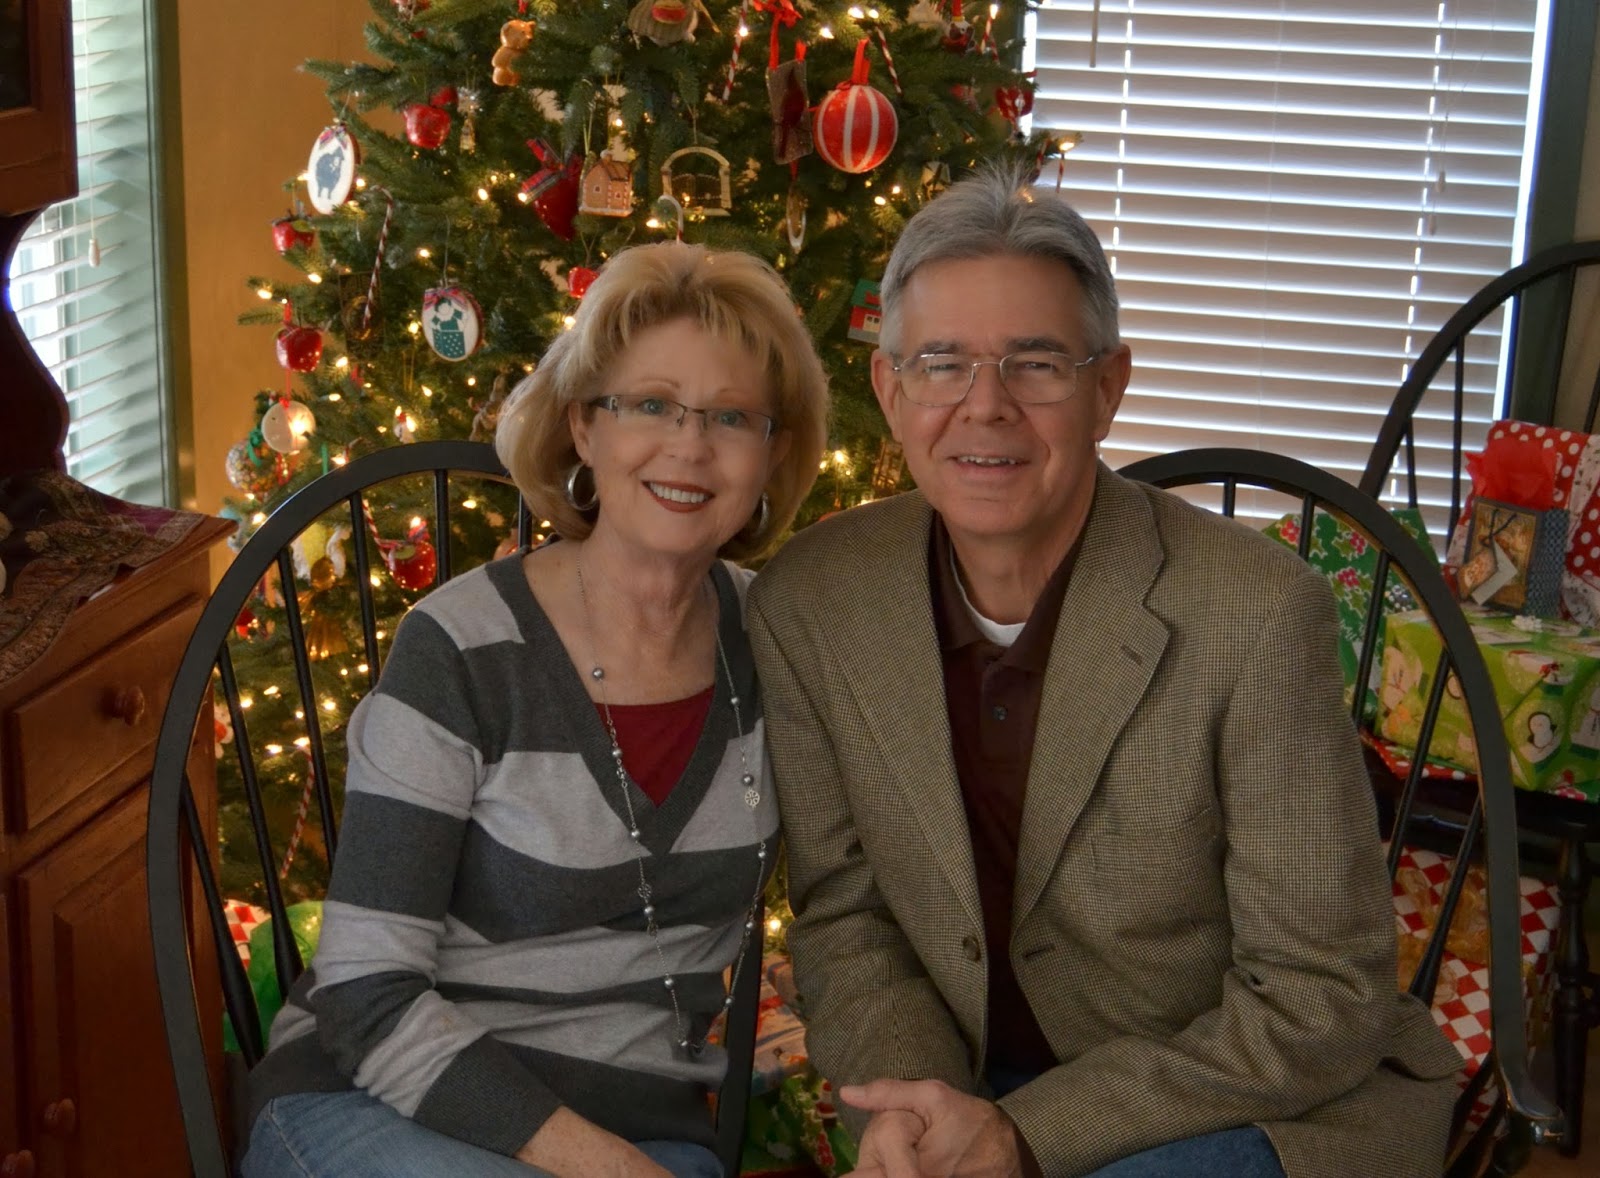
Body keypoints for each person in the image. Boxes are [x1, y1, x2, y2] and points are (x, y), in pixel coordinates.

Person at [746, 164, 1462, 1178]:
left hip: (1236, 1095)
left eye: (1035, 363)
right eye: (942, 363)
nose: (985, 407)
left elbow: (1317, 996)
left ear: (1108, 389)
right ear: (890, 392)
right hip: (964, 1082)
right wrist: (920, 1111)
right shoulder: (811, 603)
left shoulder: (1256, 613)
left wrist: (1029, 1136)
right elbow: (847, 914)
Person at [241, 240, 829, 1178]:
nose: (689, 446)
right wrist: (609, 1169)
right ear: (583, 427)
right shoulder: (461, 648)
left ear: (775, 453)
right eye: (650, 404)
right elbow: (365, 991)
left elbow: (861, 900)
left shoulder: (783, 645)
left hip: (644, 1124)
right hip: (379, 1100)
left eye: (731, 417)